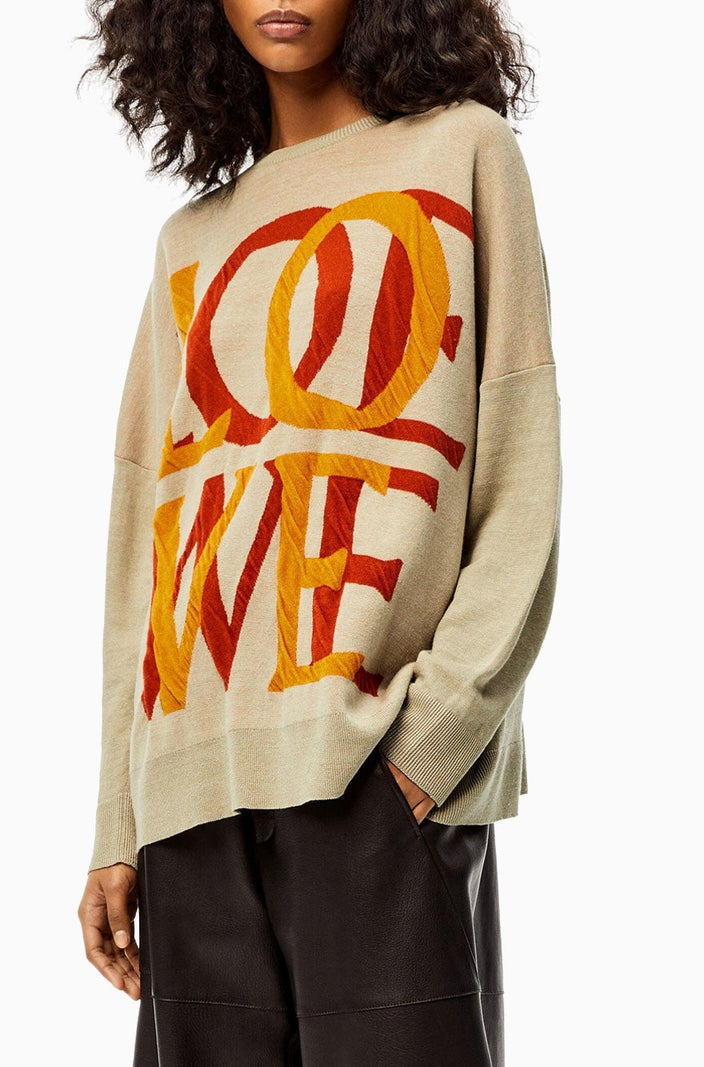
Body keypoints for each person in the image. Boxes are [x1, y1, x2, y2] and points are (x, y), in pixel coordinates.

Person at [76, 1, 562, 1063]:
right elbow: (144, 549)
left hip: (371, 772)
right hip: (189, 795)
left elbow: (519, 469)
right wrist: (119, 818)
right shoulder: (189, 239)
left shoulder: (463, 153)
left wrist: (431, 741)